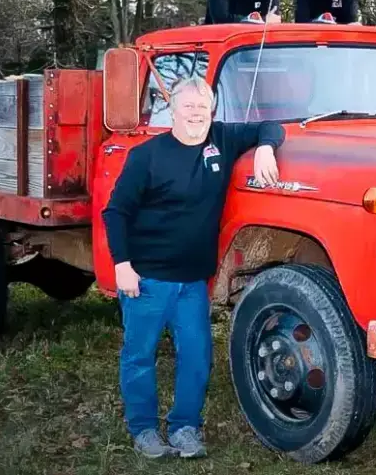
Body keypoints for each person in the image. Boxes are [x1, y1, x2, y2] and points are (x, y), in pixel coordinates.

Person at [101, 76, 285, 459]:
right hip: (147, 279)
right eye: (188, 107)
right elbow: (116, 212)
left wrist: (266, 147)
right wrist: (122, 266)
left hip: (192, 283)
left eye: (203, 107)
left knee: (197, 356)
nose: (196, 114)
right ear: (173, 111)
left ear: (212, 111)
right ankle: (144, 429)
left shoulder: (221, 139)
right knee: (140, 356)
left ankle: (185, 427)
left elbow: (272, 126)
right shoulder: (147, 156)